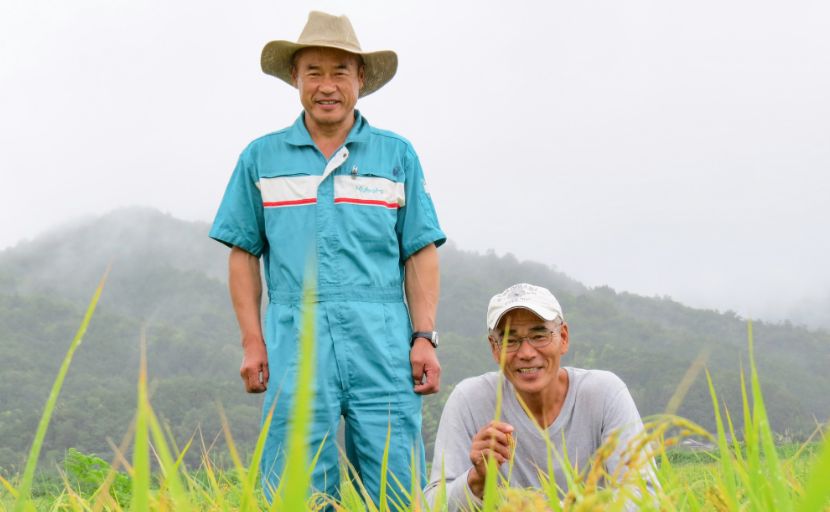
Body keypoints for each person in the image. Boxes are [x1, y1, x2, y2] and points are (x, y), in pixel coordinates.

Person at [209, 11, 445, 506]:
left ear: (361, 79)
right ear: (295, 78)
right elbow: (242, 254)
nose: (327, 85)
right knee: (298, 486)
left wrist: (424, 337)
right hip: (295, 337)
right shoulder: (261, 158)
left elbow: (418, 250)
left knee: (396, 484)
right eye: (313, 71)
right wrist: (253, 343)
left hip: (382, 337)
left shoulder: (395, 156)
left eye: (340, 71)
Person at [424, 283, 654, 510]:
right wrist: (477, 480)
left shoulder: (605, 394)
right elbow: (431, 505)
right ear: (494, 348)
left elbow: (646, 496)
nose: (526, 353)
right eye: (509, 340)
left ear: (563, 337)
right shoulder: (469, 400)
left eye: (539, 335)